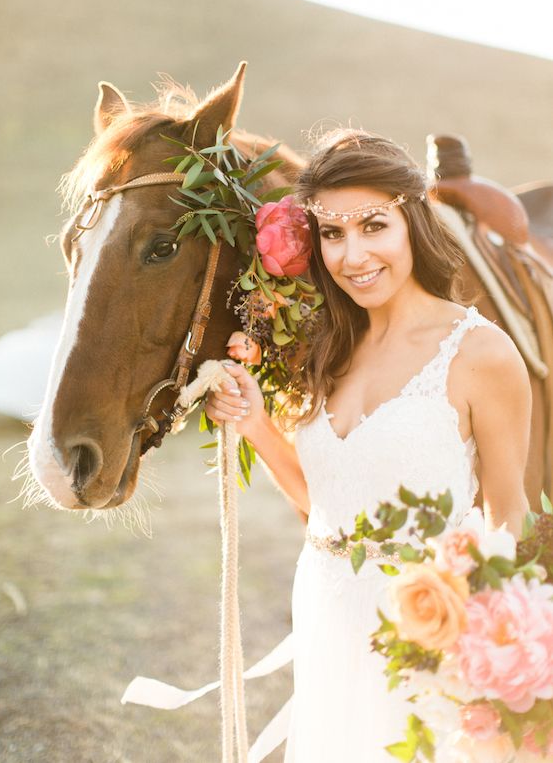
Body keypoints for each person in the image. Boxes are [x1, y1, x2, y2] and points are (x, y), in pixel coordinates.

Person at [205, 130, 531, 761]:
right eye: (332, 233)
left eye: (373, 225)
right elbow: (323, 507)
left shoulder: (480, 352)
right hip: (328, 609)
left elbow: (508, 513)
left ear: (412, 220)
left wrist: (500, 656)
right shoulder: (326, 349)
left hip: (429, 632)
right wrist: (255, 425)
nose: (353, 255)